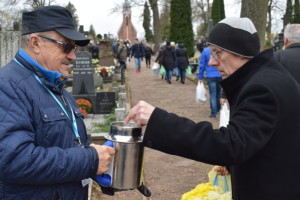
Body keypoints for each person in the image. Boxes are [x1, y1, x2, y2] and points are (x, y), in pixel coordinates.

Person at [124, 17, 300, 199]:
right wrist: (233, 164)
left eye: (217, 53)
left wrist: (158, 120)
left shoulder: (262, 87)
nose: (211, 62)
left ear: (240, 52)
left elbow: (232, 143)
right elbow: (260, 139)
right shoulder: (266, 76)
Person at [0, 6, 115, 200]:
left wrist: (98, 165)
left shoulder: (54, 85)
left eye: (75, 48)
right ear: (36, 43)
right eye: (67, 47)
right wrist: (89, 160)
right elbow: (14, 160)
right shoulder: (7, 86)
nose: (73, 56)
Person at [198, 46, 222, 117]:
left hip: (210, 75)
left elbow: (202, 64)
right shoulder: (219, 49)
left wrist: (200, 76)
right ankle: (218, 108)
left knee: (212, 94)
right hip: (220, 74)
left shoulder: (205, 51)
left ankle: (213, 112)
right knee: (219, 93)